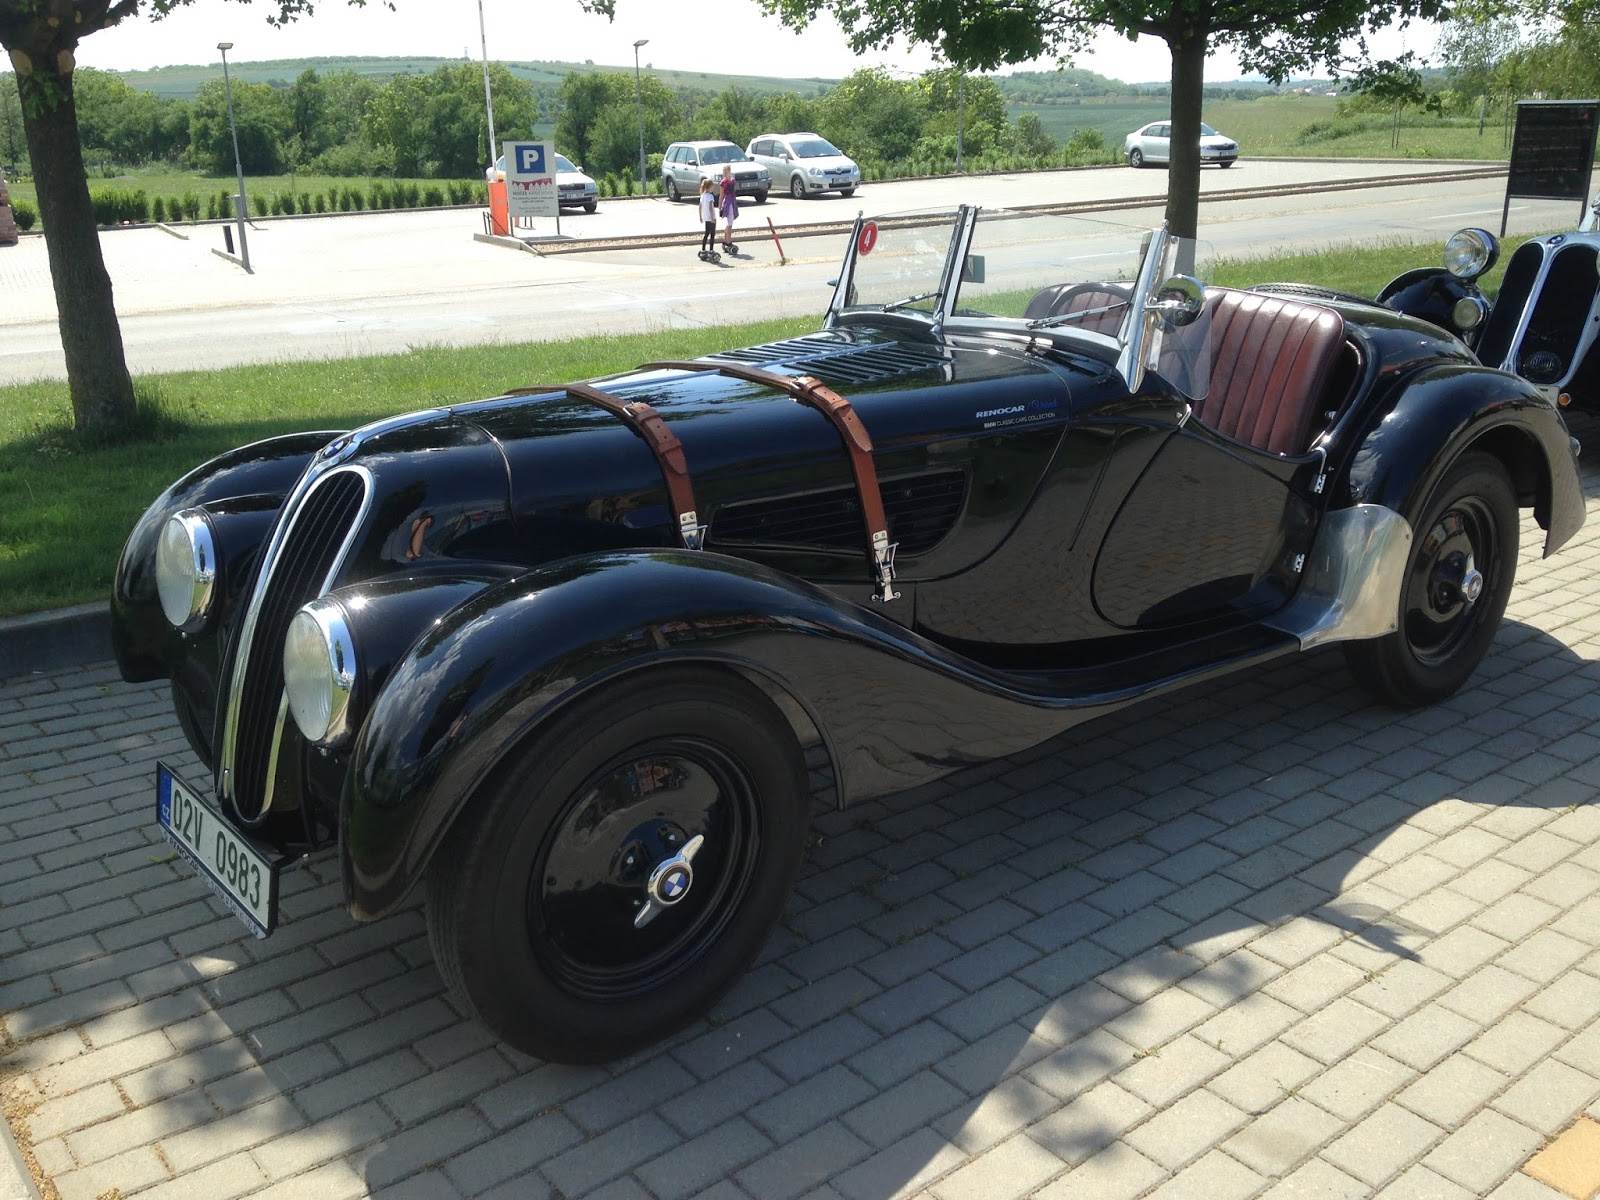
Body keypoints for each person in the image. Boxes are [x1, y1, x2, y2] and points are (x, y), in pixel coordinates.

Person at [719, 165, 739, 254]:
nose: (725, 174)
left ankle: (726, 240)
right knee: (729, 223)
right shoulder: (723, 182)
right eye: (724, 172)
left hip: (732, 201)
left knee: (731, 223)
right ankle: (728, 241)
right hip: (727, 201)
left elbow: (735, 191)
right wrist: (720, 207)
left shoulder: (733, 181)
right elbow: (721, 195)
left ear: (730, 172)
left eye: (726, 172)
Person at [697, 178, 718, 260]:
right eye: (712, 186)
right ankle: (711, 249)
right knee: (712, 234)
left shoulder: (702, 196)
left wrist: (700, 217)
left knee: (706, 233)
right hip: (711, 217)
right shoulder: (710, 196)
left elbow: (700, 207)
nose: (713, 188)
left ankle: (703, 249)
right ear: (709, 187)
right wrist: (712, 217)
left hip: (706, 217)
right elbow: (710, 207)